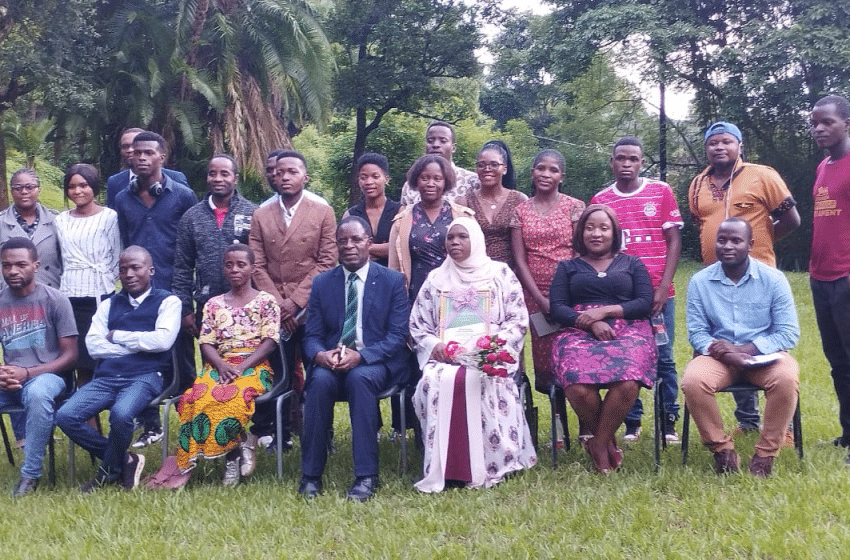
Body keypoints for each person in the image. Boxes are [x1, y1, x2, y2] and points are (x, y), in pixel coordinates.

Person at [688, 121, 801, 436]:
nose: (719, 147)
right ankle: (748, 421)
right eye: (713, 142)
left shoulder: (762, 175)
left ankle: (783, 429)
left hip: (758, 272)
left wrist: (757, 244)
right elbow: (702, 224)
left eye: (726, 141)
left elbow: (791, 218)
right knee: (728, 334)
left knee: (760, 341)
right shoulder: (698, 184)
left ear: (740, 145)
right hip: (715, 278)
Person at [410, 217, 536, 492]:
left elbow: (517, 320)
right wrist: (435, 345)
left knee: (484, 379)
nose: (454, 242)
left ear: (476, 240)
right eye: (450, 237)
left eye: (462, 237)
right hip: (446, 358)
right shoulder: (436, 279)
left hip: (487, 357)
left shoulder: (500, 274)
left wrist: (492, 347)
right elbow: (419, 325)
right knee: (433, 381)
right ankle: (445, 467)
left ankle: (489, 463)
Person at [146, 244, 280, 488]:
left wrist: (241, 368)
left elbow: (270, 342)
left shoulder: (267, 302)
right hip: (219, 366)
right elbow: (206, 342)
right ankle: (235, 448)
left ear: (253, 268)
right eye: (229, 265)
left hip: (254, 366)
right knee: (195, 398)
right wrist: (220, 365)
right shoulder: (213, 304)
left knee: (232, 398)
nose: (235, 269)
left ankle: (231, 454)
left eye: (241, 264)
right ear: (223, 269)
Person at [299, 217, 410, 501]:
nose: (349, 246)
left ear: (369, 243)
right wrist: (320, 355)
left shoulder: (392, 281)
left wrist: (361, 356)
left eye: (356, 240)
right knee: (319, 382)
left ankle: (366, 476)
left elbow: (398, 336)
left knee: (360, 380)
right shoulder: (323, 283)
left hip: (375, 362)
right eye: (343, 241)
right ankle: (310, 476)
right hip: (333, 361)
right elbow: (311, 335)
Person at [56, 246, 182, 492]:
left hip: (145, 376)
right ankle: (125, 460)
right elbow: (94, 346)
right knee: (66, 416)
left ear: (150, 270)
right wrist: (138, 346)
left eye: (135, 268)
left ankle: (107, 473)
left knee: (121, 415)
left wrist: (117, 336)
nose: (129, 274)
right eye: (123, 270)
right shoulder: (109, 304)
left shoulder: (168, 301)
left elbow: (162, 341)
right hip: (107, 377)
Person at [681, 218, 799, 477]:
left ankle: (765, 455)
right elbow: (697, 332)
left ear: (750, 244)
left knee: (787, 378)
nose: (728, 246)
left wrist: (745, 351)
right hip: (718, 357)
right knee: (693, 381)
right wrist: (722, 352)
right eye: (722, 240)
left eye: (736, 241)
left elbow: (788, 332)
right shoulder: (700, 281)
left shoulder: (773, 279)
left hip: (763, 356)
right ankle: (722, 450)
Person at [549, 204, 656, 474]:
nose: (596, 234)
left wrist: (606, 311)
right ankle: (605, 441)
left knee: (628, 380)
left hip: (628, 330)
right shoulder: (567, 267)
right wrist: (591, 322)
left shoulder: (632, 264)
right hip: (578, 331)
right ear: (581, 233)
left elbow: (645, 302)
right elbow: (557, 307)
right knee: (576, 383)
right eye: (590, 228)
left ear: (614, 232)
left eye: (603, 228)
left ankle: (598, 443)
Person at [591, 136, 683, 443]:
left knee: (663, 356)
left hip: (657, 294)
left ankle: (668, 420)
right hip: (621, 297)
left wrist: (664, 286)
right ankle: (632, 421)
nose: (626, 164)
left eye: (633, 159)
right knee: (626, 355)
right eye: (621, 158)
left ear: (642, 162)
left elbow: (674, 241)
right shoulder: (601, 199)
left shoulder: (661, 191)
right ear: (612, 162)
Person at [248, 150, 337, 451]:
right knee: (279, 374)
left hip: (313, 308)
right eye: (280, 172)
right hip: (276, 310)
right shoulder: (261, 214)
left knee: (319, 374)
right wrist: (279, 303)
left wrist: (296, 302)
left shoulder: (322, 212)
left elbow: (327, 261)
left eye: (292, 172)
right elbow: (256, 265)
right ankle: (281, 435)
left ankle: (323, 435)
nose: (285, 177)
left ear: (305, 176)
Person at [114, 130, 197, 448]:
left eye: (148, 152)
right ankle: (149, 425)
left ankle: (192, 426)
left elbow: (191, 250)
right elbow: (126, 245)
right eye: (136, 152)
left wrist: (186, 301)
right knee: (141, 360)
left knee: (183, 363)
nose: (141, 157)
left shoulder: (183, 196)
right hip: (138, 295)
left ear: (162, 156)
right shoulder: (122, 199)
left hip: (174, 292)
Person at [388, 155, 474, 438]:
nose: (431, 183)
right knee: (421, 367)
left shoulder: (462, 216)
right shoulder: (403, 220)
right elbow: (394, 270)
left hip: (457, 301)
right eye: (425, 177)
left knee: (455, 362)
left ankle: (458, 432)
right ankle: (424, 435)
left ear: (446, 182)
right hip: (416, 302)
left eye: (437, 178)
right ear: (416, 181)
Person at [510, 149, 585, 437]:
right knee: (546, 365)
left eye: (553, 170)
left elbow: (580, 252)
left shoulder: (574, 207)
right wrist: (541, 300)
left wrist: (562, 297)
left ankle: (586, 428)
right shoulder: (521, 211)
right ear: (532, 173)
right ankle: (559, 429)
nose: (545, 174)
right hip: (534, 297)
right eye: (540, 168)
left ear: (561, 176)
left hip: (572, 293)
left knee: (574, 357)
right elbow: (520, 260)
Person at [0, 237, 78, 497]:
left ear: (36, 265)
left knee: (37, 394)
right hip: (11, 380)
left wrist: (27, 373)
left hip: (49, 376)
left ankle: (30, 475)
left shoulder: (55, 299)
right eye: (6, 265)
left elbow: (71, 356)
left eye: (20, 264)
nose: (13, 271)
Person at [808, 94, 850, 459]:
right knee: (838, 360)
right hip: (820, 277)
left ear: (846, 124)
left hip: (845, 275)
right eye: (814, 124)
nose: (819, 129)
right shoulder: (823, 166)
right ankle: (847, 432)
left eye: (828, 122)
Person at [56, 164, 121, 390]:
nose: (77, 191)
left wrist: (105, 279)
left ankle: (94, 403)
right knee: (73, 357)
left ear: (93, 186)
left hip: (99, 295)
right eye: (72, 186)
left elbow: (116, 255)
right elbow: (60, 257)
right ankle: (71, 403)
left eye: (83, 185)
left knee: (94, 359)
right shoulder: (61, 220)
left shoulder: (109, 217)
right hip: (68, 296)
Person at [456, 141, 527, 268]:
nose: (487, 169)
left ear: (504, 169)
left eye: (494, 164)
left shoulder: (519, 200)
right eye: (481, 165)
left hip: (511, 272)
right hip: (474, 272)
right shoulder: (464, 202)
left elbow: (526, 245)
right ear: (476, 169)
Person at [0, 168, 62, 289]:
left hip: (49, 292)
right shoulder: (1, 222)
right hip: (9, 293)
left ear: (39, 190)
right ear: (11, 191)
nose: (24, 192)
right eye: (18, 188)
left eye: (29, 187)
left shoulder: (57, 221)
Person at [342, 153, 402, 267]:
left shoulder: (399, 211)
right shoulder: (351, 215)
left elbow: (400, 248)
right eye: (363, 177)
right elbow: (345, 250)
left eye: (375, 176)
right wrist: (383, 249)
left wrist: (362, 247)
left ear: (386, 179)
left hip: (392, 273)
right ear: (358, 180)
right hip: (360, 274)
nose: (369, 182)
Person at [399, 121, 480, 206]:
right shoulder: (411, 185)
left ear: (453, 147)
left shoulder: (472, 181)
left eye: (443, 141)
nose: (435, 145)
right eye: (430, 141)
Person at [105, 127, 188, 209]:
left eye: (134, 145)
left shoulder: (175, 178)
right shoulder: (114, 181)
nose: (130, 150)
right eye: (125, 146)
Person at [259, 149, 330, 207]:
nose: (274, 173)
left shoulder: (320, 205)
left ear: (305, 178)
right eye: (270, 170)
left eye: (280, 170)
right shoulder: (263, 209)